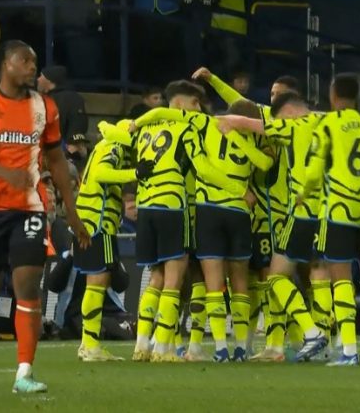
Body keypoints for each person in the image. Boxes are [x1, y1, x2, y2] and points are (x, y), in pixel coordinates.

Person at [0, 40, 90, 394]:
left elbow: (57, 160)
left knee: (28, 287)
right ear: (6, 64)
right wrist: (5, 173)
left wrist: (72, 211)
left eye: (34, 61)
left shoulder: (45, 106)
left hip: (30, 207)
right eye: (25, 60)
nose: (32, 67)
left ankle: (24, 373)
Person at [127, 80, 246, 362]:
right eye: (195, 103)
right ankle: (165, 348)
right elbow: (203, 168)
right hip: (177, 207)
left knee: (157, 278)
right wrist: (236, 189)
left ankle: (143, 345)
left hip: (146, 207)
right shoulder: (187, 129)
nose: (199, 110)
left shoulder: (145, 129)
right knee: (182, 277)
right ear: (180, 103)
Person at [218, 91, 336, 363]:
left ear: (290, 112)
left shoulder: (293, 125)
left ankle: (309, 334)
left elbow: (252, 123)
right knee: (321, 275)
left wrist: (224, 122)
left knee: (276, 276)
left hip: (300, 213)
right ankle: (328, 345)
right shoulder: (330, 123)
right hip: (333, 213)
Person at [191, 66, 296, 359]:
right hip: (251, 212)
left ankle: (276, 344)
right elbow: (239, 102)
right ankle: (246, 345)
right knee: (250, 281)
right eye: (271, 93)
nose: (273, 98)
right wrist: (212, 79)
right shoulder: (260, 120)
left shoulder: (285, 126)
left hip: (273, 212)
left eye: (279, 94)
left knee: (271, 279)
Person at [294, 74, 360, 366]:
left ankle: (348, 349)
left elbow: (313, 171)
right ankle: (342, 345)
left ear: (333, 96)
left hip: (337, 207)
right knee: (343, 274)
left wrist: (303, 193)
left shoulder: (327, 124)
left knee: (339, 278)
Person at [72, 120, 153, 362]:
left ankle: (87, 344)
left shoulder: (104, 146)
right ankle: (90, 346)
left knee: (96, 281)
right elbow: (100, 174)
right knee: (98, 281)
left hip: (89, 219)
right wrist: (134, 173)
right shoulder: (115, 147)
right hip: (98, 222)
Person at [37, 66, 88, 140]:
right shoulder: (41, 98)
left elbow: (78, 124)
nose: (38, 79)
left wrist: (74, 143)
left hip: (62, 143)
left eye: (41, 76)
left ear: (49, 80)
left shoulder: (71, 99)